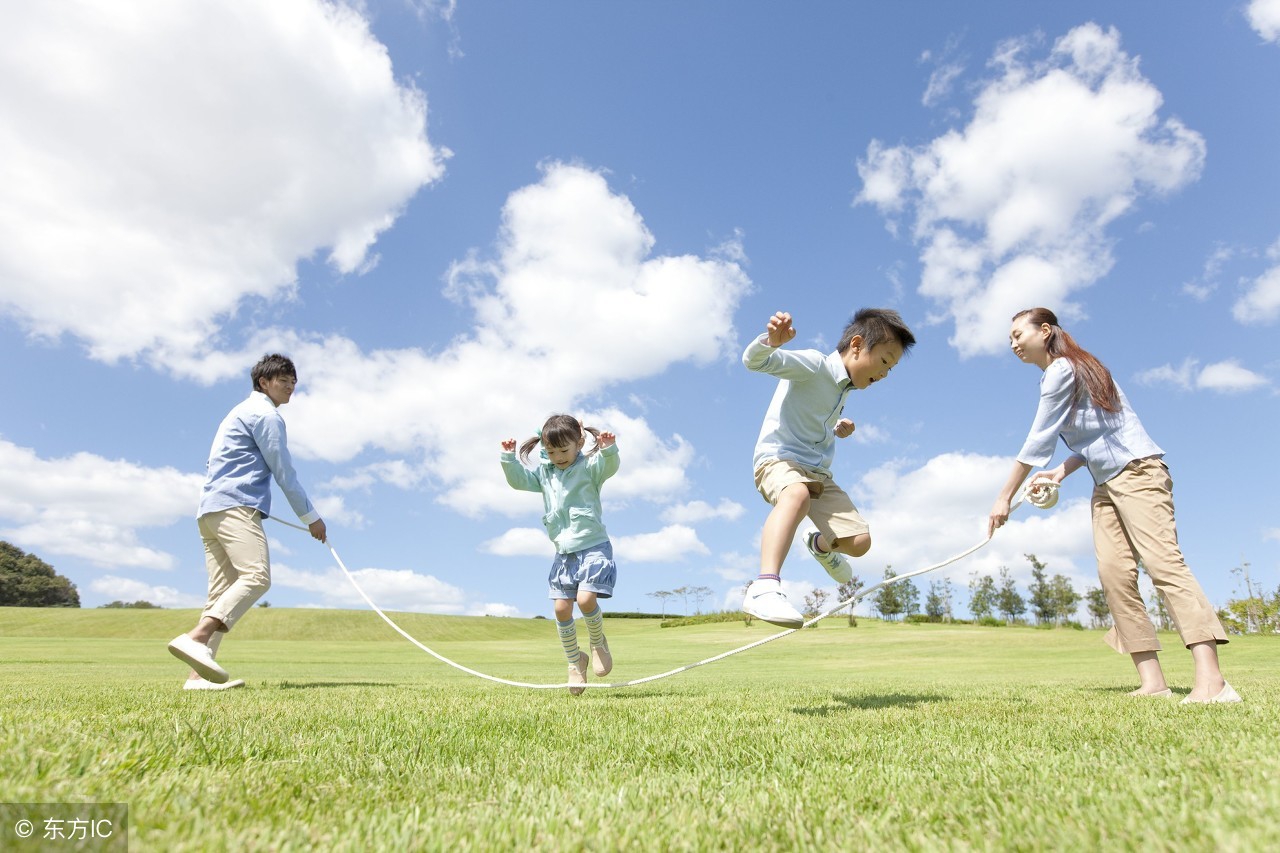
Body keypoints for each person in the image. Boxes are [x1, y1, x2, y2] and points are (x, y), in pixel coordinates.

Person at [988, 308, 1238, 704]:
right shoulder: (1064, 374)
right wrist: (1059, 474)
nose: (1013, 343)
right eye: (1010, 338)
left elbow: (1038, 440)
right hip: (1106, 482)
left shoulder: (1064, 370)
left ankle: (1213, 682)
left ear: (1045, 331)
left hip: (1138, 472)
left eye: (1019, 334)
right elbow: (1096, 441)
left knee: (1163, 564)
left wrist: (1003, 497)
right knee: (1114, 574)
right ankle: (1153, 683)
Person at [741, 309, 916, 627]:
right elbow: (754, 362)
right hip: (778, 460)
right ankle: (764, 586)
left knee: (859, 543)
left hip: (817, 473)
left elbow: (809, 413)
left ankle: (818, 544)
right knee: (796, 495)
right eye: (885, 361)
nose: (886, 373)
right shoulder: (813, 364)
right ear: (858, 345)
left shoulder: (843, 388)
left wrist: (836, 426)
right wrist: (770, 343)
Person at [167, 354, 327, 691]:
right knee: (257, 576)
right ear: (263, 382)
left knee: (220, 594)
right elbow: (284, 472)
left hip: (210, 511)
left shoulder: (236, 413)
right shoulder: (266, 415)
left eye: (293, 383)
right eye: (284, 381)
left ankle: (197, 679)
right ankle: (197, 637)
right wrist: (312, 518)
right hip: (235, 507)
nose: (290, 389)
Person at [501, 415, 619, 695]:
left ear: (579, 443)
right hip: (563, 553)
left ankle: (598, 642)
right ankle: (575, 662)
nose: (558, 457)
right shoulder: (545, 474)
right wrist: (508, 458)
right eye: (551, 452)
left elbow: (609, 466)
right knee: (561, 608)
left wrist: (608, 448)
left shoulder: (589, 468)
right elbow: (519, 482)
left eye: (564, 450)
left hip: (592, 546)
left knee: (585, 599)